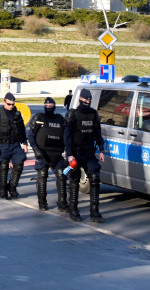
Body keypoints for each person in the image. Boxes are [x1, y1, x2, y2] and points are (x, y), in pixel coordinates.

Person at [64, 88, 107, 223]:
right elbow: (67, 136)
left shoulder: (93, 114)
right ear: (80, 99)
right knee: (75, 179)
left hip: (88, 152)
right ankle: (73, 210)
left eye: (89, 100)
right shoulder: (73, 115)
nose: (87, 102)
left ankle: (94, 212)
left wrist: (101, 150)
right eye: (85, 99)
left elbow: (98, 133)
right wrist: (69, 155)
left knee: (95, 177)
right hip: (75, 153)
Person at [28, 97, 68, 212]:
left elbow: (66, 136)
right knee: (42, 175)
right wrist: (36, 150)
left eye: (51, 105)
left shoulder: (60, 119)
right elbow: (31, 136)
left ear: (54, 106)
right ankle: (42, 203)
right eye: (47, 106)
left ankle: (62, 203)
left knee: (62, 175)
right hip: (43, 153)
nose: (49, 107)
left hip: (57, 154)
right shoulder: (39, 118)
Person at [0, 92, 28, 200]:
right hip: (2, 144)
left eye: (12, 104)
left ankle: (12, 187)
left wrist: (24, 143)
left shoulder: (17, 113)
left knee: (19, 165)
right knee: (4, 167)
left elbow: (22, 130)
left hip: (15, 144)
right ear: (4, 102)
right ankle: (3, 190)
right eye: (9, 104)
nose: (11, 106)